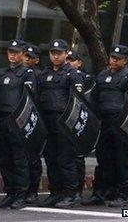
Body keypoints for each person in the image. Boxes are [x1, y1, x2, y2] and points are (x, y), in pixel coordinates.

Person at [83, 45, 128, 208]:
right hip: (105, 123)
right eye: (112, 57)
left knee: (122, 160)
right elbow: (94, 98)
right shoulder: (103, 75)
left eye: (118, 58)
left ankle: (122, 194)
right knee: (103, 159)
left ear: (125, 60)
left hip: (121, 123)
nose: (114, 61)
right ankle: (100, 193)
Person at [35, 39, 84, 208]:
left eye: (59, 53)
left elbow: (78, 101)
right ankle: (55, 192)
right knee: (51, 158)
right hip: (47, 121)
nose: (55, 56)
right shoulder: (44, 73)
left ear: (66, 54)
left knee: (66, 159)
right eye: (53, 53)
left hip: (64, 122)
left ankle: (70, 194)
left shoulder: (72, 74)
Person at [0, 39, 37, 209]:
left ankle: (21, 193)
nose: (12, 55)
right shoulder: (2, 72)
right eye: (10, 52)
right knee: (5, 159)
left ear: (23, 54)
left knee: (19, 159)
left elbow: (29, 98)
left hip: (17, 120)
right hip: (2, 119)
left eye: (16, 52)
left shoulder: (27, 73)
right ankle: (10, 192)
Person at [66, 50, 92, 202]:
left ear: (79, 63)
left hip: (79, 120)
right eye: (68, 59)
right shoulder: (64, 75)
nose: (69, 62)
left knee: (78, 157)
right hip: (65, 119)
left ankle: (78, 189)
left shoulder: (85, 79)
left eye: (72, 60)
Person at [23, 43, 43, 204]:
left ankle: (33, 191)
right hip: (20, 120)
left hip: (34, 118)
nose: (26, 59)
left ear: (37, 60)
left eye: (30, 57)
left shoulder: (39, 75)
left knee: (33, 157)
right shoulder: (21, 73)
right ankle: (22, 190)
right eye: (25, 56)